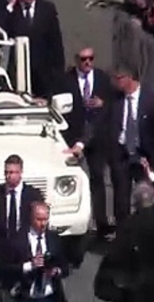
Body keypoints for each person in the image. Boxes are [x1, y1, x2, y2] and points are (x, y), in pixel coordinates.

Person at [94, 181, 154, 302]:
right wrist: (153, 177)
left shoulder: (129, 224)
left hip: (139, 277)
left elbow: (118, 251)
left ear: (135, 203)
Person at [63, 48, 115, 239]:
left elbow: (113, 101)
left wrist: (103, 103)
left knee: (98, 178)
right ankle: (71, 220)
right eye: (84, 59)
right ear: (77, 59)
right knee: (71, 178)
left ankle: (101, 222)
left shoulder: (102, 78)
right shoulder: (66, 79)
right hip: (73, 136)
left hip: (97, 137)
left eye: (91, 59)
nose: (87, 62)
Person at [108, 65, 154, 223]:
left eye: (119, 78)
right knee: (121, 201)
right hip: (122, 155)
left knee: (146, 199)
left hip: (144, 157)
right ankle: (123, 238)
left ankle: (145, 233)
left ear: (130, 78)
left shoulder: (153, 102)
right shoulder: (115, 100)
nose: (115, 82)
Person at [0, 154, 44, 301]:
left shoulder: (33, 195)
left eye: (13, 172)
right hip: (2, 261)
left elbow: (41, 228)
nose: (9, 176)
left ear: (21, 173)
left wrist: (40, 257)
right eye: (7, 172)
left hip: (26, 257)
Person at [0, 201, 69, 302]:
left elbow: (65, 266)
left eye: (45, 219)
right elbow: (3, 269)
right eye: (39, 219)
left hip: (51, 296)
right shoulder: (17, 240)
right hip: (26, 297)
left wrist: (56, 271)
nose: (43, 224)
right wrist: (29, 266)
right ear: (31, 218)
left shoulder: (54, 238)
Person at [7, 0, 65, 98]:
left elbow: (56, 42)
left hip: (44, 70)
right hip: (20, 70)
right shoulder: (12, 10)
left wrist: (58, 71)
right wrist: (10, 5)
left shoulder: (47, 8)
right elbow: (1, 26)